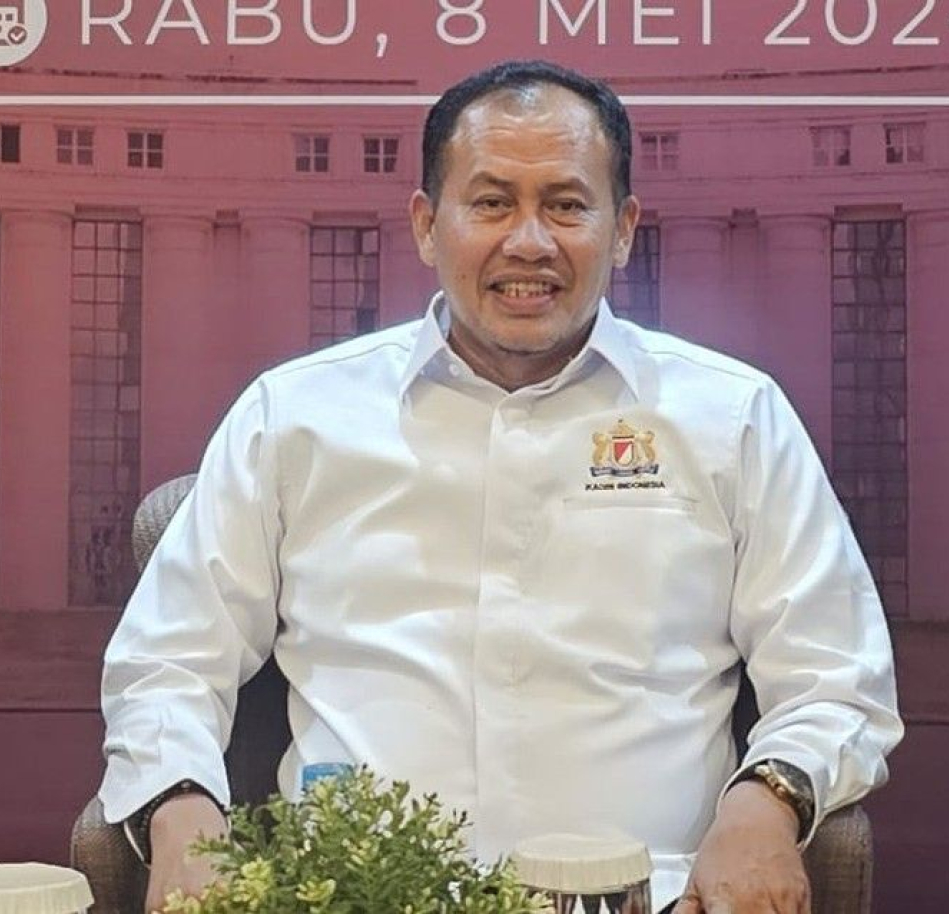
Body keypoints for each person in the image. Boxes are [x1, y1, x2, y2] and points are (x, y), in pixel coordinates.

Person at [99, 59, 903, 914]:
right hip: (355, 896)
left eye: (567, 205)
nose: (529, 243)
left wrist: (767, 803)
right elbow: (167, 662)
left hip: (652, 894)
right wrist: (182, 815)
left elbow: (834, 677)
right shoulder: (293, 416)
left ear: (623, 229)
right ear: (426, 225)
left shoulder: (733, 416)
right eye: (490, 203)